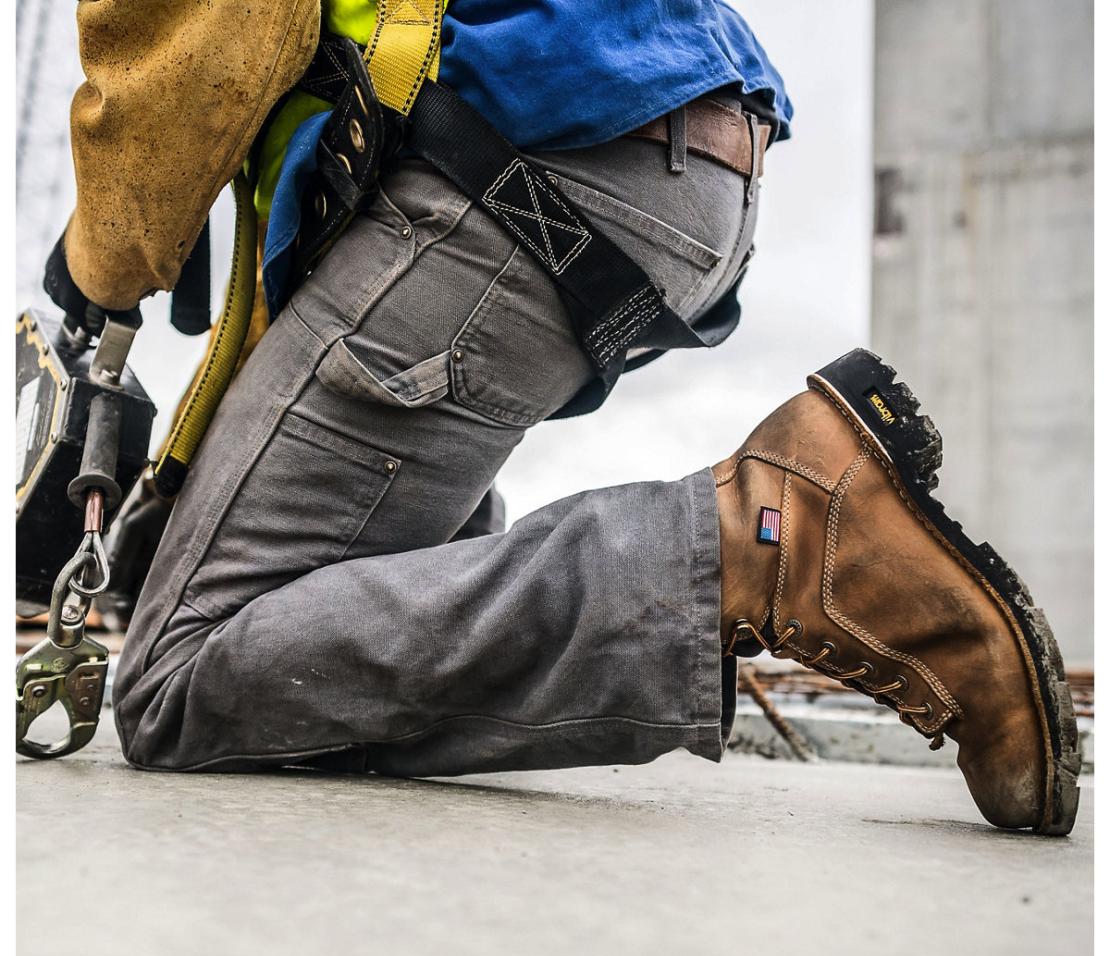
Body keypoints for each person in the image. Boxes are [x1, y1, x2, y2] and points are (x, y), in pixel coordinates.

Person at [48, 0, 1080, 835]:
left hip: (517, 152)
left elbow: (194, 34)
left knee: (178, 678)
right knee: (330, 611)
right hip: (661, 147)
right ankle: (726, 564)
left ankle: (773, 537)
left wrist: (102, 252)